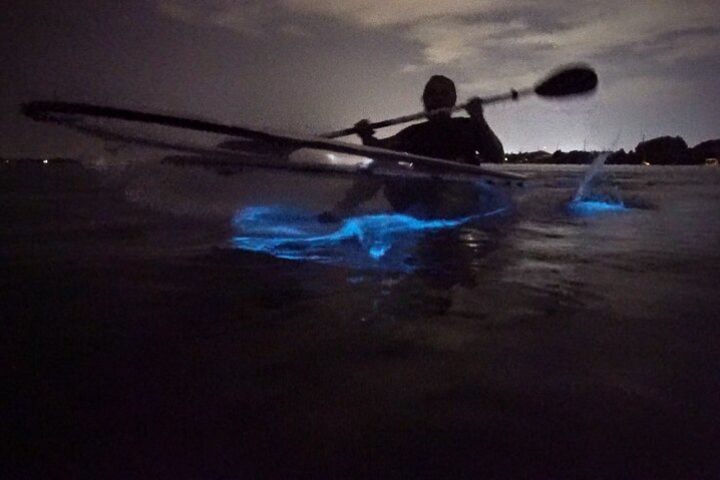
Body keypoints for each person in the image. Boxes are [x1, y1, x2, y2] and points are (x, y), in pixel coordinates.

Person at [320, 75, 505, 221]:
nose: (437, 98)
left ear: (453, 100)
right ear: (424, 101)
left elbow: (497, 156)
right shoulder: (414, 132)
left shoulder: (469, 126)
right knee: (381, 165)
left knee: (457, 187)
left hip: (459, 198)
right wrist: (366, 135)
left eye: (443, 94)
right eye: (432, 94)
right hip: (420, 197)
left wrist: (479, 118)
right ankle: (341, 211)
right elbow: (379, 151)